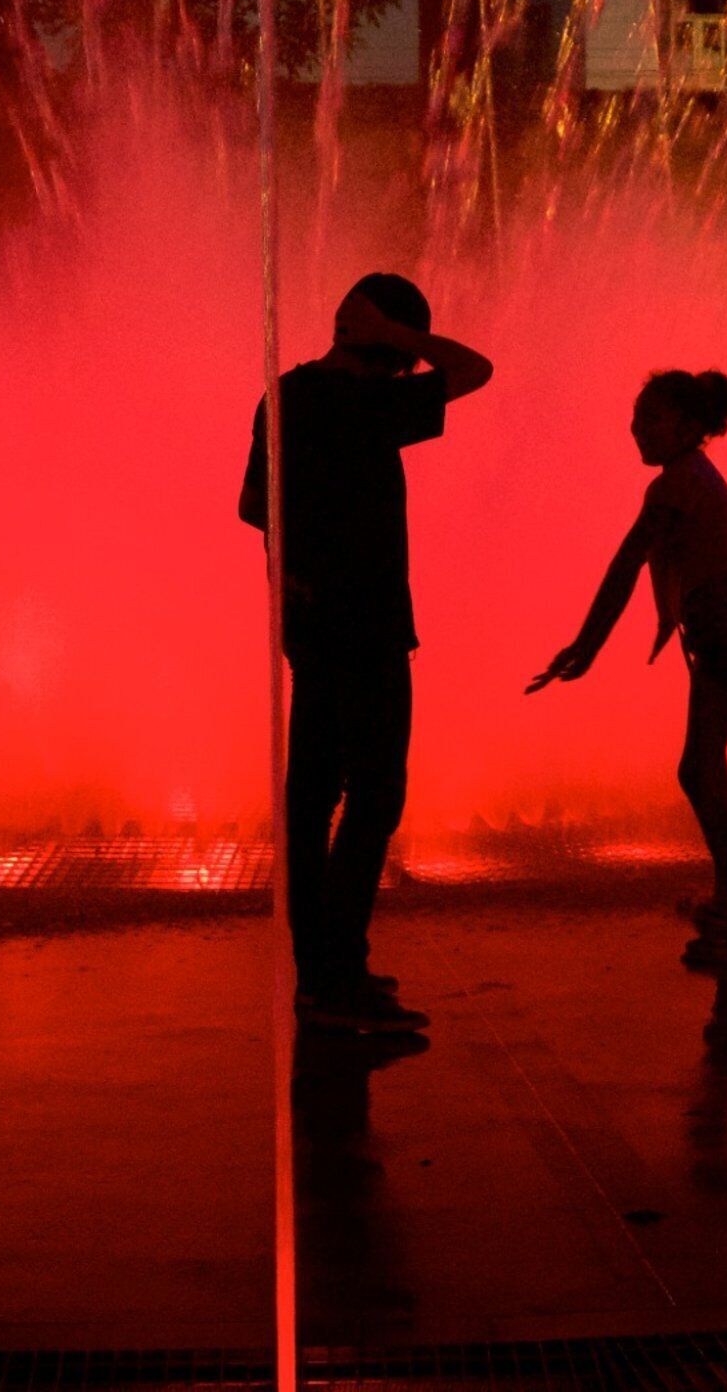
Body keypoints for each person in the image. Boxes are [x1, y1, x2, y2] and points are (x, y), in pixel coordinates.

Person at [241, 274, 493, 1037]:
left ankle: (320, 973)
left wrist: (289, 592)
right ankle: (334, 970)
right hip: (370, 626)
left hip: (313, 625)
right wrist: (399, 336)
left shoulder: (285, 395)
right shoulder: (368, 404)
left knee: (313, 795)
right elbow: (476, 370)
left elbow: (256, 507)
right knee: (375, 794)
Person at [533, 369, 727, 963]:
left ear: (690, 427)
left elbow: (626, 563)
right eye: (635, 417)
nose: (637, 430)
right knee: (702, 767)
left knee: (699, 768)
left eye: (652, 420)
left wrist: (586, 645)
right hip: (725, 632)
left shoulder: (678, 484)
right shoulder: (684, 477)